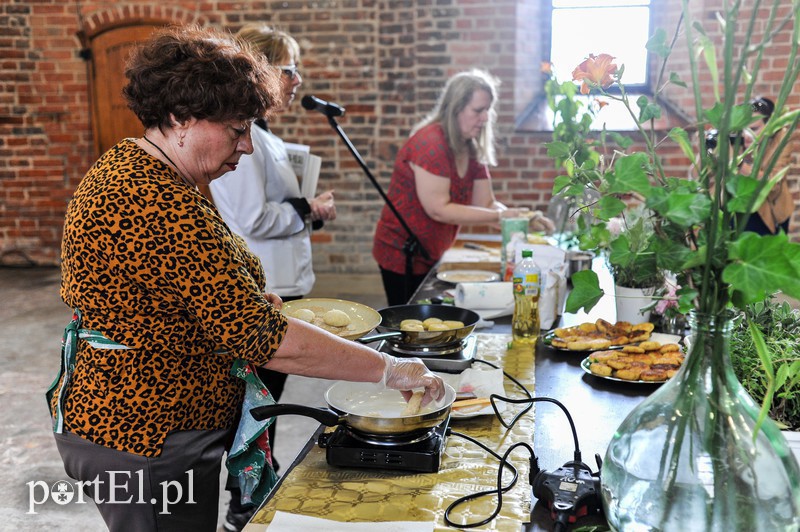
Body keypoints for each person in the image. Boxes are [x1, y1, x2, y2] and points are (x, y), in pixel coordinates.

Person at [47, 25, 444, 532]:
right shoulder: (157, 199)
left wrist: (247, 299)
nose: (249, 146)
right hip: (142, 431)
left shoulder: (143, 169)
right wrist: (390, 369)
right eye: (238, 129)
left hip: (161, 423)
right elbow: (261, 339)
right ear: (179, 119)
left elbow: (175, 298)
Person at [206, 23, 335, 531]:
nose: (297, 76)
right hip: (263, 283)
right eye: (287, 67)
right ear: (257, 69)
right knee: (255, 401)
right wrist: (307, 210)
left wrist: (303, 209)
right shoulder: (244, 137)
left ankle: (255, 483)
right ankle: (245, 499)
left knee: (267, 398)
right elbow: (251, 218)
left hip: (286, 277)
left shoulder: (263, 134)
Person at [371, 69, 555, 306]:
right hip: (402, 252)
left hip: (432, 251)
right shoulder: (430, 143)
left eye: (488, 109)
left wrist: (521, 218)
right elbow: (438, 209)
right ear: (455, 109)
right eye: (478, 110)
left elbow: (487, 204)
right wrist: (503, 216)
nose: (486, 117)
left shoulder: (469, 147)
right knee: (406, 322)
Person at [742, 96, 794, 235]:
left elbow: (773, 185)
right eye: (743, 128)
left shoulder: (781, 138)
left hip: (770, 210)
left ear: (769, 126)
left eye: (753, 128)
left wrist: (741, 165)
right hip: (738, 208)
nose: (746, 134)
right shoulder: (734, 137)